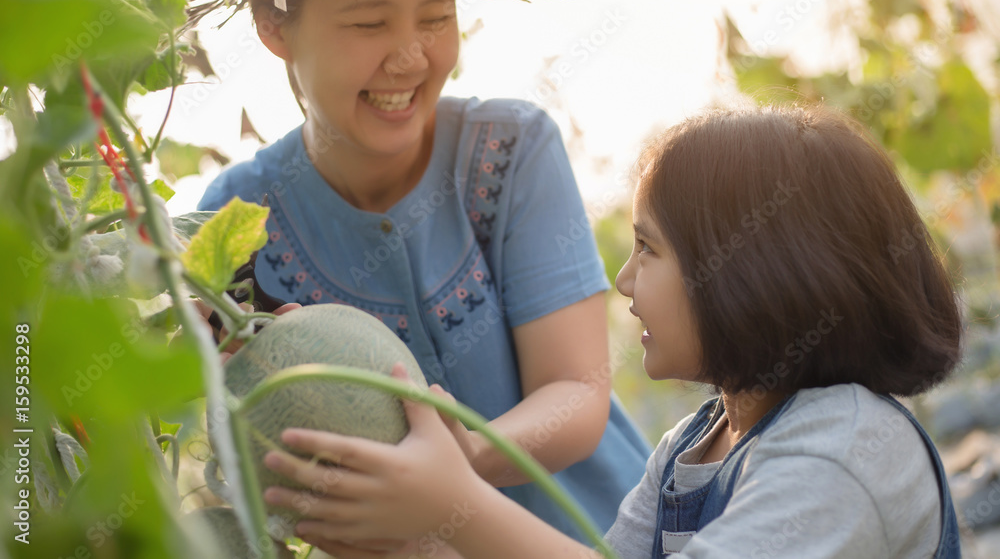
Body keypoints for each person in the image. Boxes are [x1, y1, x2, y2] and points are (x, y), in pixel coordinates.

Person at [260, 106, 964, 558]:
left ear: (754, 269)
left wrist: (458, 502)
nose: (624, 281)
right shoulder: (693, 445)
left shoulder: (845, 450)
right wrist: (402, 532)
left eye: (649, 248)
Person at [187, 0, 651, 553]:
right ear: (275, 25)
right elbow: (257, 453)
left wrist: (451, 465)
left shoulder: (512, 149)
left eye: (436, 16)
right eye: (370, 24)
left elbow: (576, 392)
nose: (410, 57)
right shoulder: (236, 221)